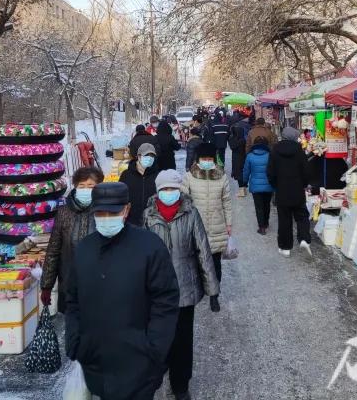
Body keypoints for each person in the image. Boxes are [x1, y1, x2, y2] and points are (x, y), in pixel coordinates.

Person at [65, 182, 180, 400]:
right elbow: (72, 300)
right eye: (100, 212)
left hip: (138, 366)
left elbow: (165, 301)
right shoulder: (84, 249)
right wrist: (76, 342)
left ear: (126, 210)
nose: (106, 217)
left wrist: (153, 350)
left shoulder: (149, 247)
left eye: (113, 212)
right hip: (96, 363)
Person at [143, 170, 220, 400]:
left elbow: (203, 252)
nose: (169, 193)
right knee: (158, 336)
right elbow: (141, 255)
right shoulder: (148, 216)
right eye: (165, 189)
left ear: (180, 190)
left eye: (173, 189)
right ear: (158, 191)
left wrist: (212, 290)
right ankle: (160, 370)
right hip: (157, 291)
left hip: (185, 287)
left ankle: (181, 385)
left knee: (183, 340)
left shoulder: (190, 213)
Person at [40, 166, 103, 312]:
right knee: (73, 328)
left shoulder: (104, 212)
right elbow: (53, 251)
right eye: (82, 185)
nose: (86, 189)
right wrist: (46, 285)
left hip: (99, 284)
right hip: (69, 283)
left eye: (91, 186)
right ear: (75, 187)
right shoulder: (63, 213)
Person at [182, 143, 232, 284]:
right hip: (196, 227)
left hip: (217, 227)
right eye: (204, 159)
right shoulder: (189, 177)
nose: (207, 162)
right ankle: (201, 289)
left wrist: (229, 224)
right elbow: (184, 202)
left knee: (216, 264)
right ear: (198, 160)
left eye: (210, 159)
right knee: (198, 262)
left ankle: (214, 295)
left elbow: (226, 202)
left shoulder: (221, 177)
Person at [267, 126, 312, 257]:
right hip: (297, 190)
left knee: (284, 220)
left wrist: (275, 186)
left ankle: (285, 248)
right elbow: (306, 171)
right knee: (302, 215)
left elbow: (270, 172)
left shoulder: (275, 150)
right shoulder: (299, 150)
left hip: (282, 191)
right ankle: (304, 238)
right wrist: (303, 184)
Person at [119, 143, 160, 226]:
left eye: (152, 156)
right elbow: (120, 196)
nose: (149, 158)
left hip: (153, 221)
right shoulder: (126, 174)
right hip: (131, 221)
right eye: (146, 155)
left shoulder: (158, 175)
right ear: (139, 156)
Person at [242, 137, 274, 235]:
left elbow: (246, 171)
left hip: (256, 186)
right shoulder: (270, 155)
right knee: (267, 205)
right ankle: (266, 222)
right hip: (269, 185)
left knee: (259, 206)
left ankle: (262, 227)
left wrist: (244, 182)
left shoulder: (250, 156)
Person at [228, 117, 248, 197]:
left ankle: (242, 191)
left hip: (237, 158)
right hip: (243, 157)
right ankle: (243, 190)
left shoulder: (234, 140)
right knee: (242, 174)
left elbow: (232, 146)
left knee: (239, 175)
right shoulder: (243, 140)